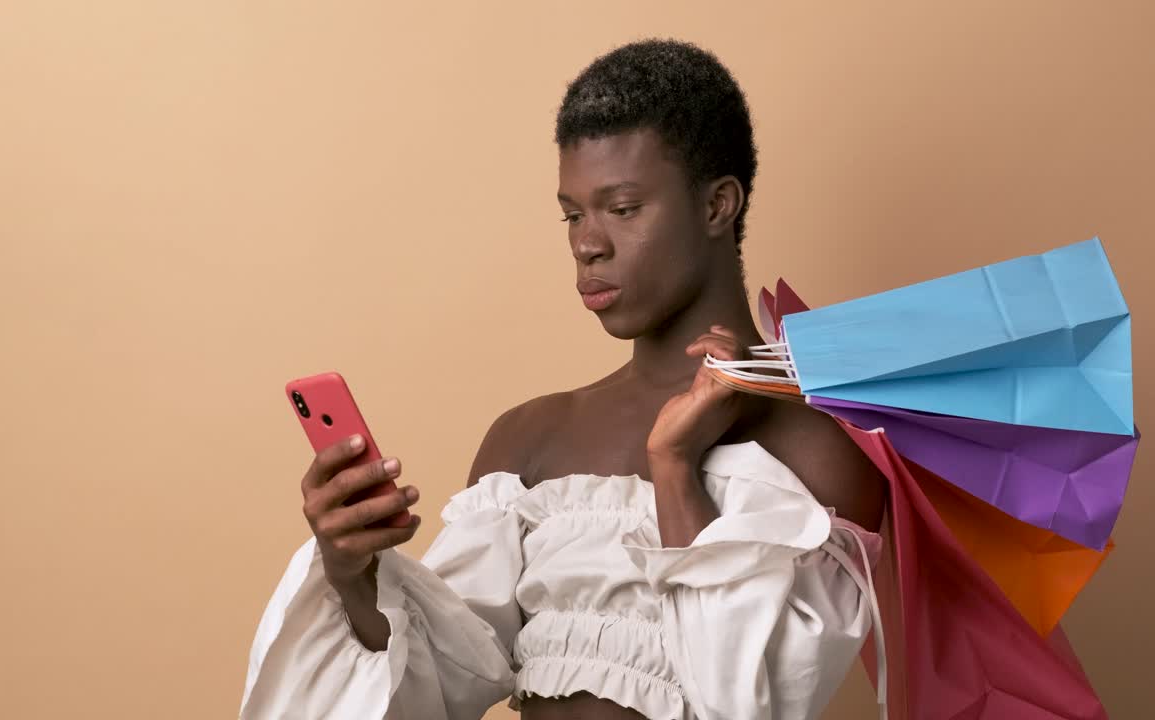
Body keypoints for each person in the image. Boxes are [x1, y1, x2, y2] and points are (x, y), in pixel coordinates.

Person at [241, 39, 887, 720]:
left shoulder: (815, 445)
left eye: (623, 208)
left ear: (717, 205)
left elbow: (747, 701)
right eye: (573, 213)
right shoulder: (528, 441)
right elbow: (432, 692)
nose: (587, 243)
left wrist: (673, 466)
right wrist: (349, 573)